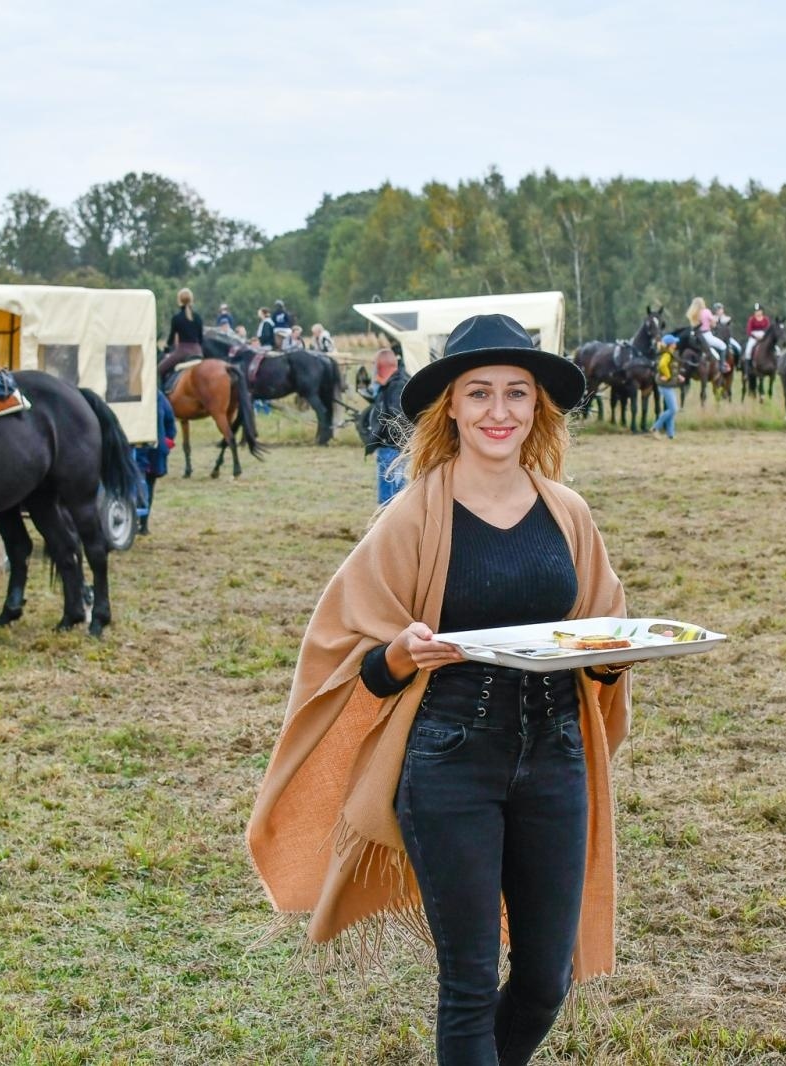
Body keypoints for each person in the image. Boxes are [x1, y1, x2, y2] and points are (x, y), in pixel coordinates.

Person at [248, 313, 632, 1066]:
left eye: (516, 394)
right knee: (467, 981)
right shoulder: (412, 516)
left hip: (556, 759)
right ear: (450, 407)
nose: (499, 412)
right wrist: (396, 654)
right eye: (479, 393)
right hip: (451, 760)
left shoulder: (569, 513)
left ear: (537, 408)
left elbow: (603, 635)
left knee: (548, 978)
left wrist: (615, 657)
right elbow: (348, 654)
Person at [364, 347, 408, 503]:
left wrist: (388, 439)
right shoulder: (393, 384)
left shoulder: (397, 387)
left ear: (380, 367)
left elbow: (400, 418)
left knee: (391, 500)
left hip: (393, 450)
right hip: (392, 449)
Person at [132, 390, 177, 535]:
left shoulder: (158, 396)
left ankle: (142, 523)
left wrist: (166, 442)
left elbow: (170, 423)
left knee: (147, 484)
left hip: (151, 451)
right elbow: (171, 423)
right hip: (146, 451)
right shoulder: (158, 395)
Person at [650, 332, 683, 440]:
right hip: (665, 385)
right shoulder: (667, 355)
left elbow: (671, 368)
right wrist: (668, 376)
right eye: (674, 342)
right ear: (670, 344)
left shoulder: (670, 354)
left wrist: (678, 376)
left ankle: (670, 434)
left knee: (671, 409)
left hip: (668, 385)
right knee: (673, 409)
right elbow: (662, 365)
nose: (676, 344)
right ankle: (655, 427)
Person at [685, 297, 726, 366]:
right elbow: (713, 323)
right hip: (706, 335)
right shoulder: (706, 311)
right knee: (723, 346)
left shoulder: (692, 314)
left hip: (694, 336)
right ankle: (722, 367)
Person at [169, 288, 206, 361]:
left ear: (179, 301)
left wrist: (167, 347)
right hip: (197, 352)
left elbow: (171, 339)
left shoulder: (176, 318)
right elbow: (201, 339)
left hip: (182, 352)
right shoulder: (198, 318)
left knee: (160, 369)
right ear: (191, 300)